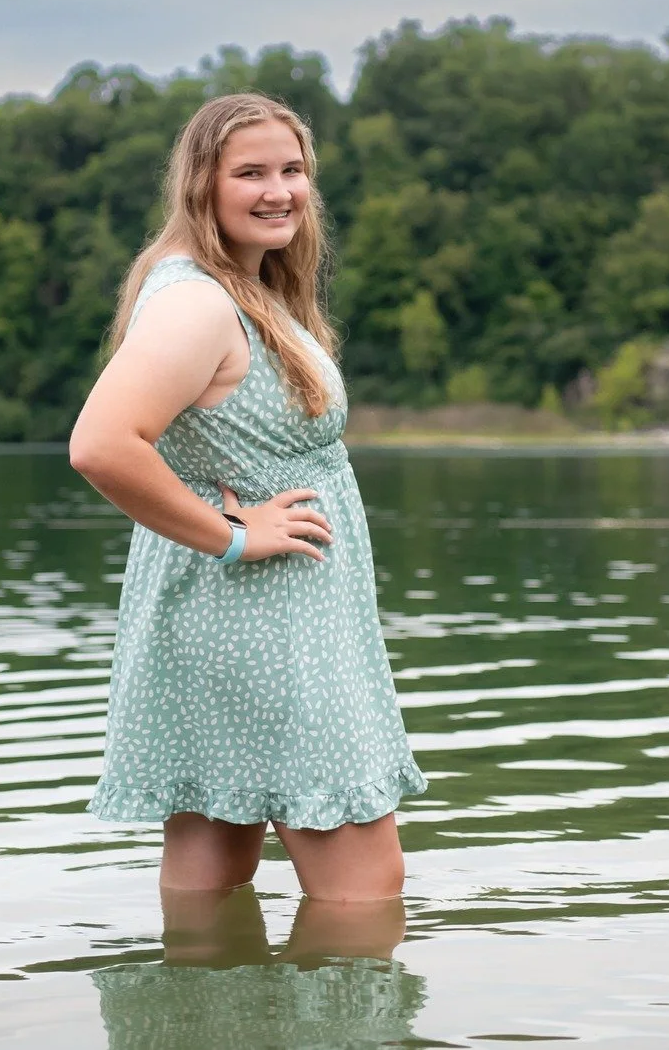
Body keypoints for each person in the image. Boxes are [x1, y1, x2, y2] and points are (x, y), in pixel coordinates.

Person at [70, 92, 425, 903]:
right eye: (251, 172)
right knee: (366, 884)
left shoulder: (233, 287)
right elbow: (99, 443)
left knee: (214, 852)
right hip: (263, 618)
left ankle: (191, 1016)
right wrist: (235, 535)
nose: (280, 190)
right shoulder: (199, 300)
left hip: (231, 617)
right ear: (203, 186)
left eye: (293, 170)